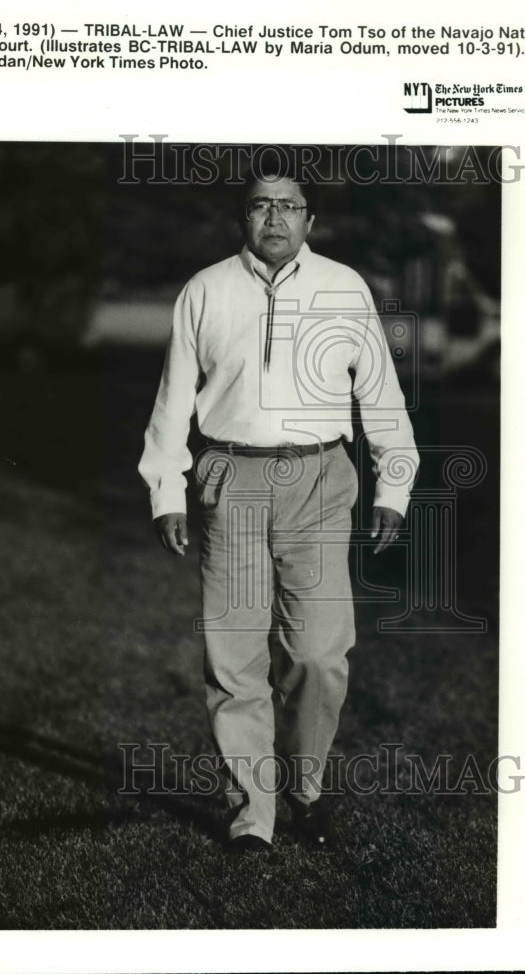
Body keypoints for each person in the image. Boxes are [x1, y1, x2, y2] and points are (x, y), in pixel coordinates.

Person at [139, 157, 419, 855]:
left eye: (288, 207)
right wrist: (167, 490)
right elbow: (173, 401)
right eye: (261, 206)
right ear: (244, 216)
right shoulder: (205, 291)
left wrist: (395, 487)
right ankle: (251, 810)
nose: (274, 219)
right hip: (230, 481)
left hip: (321, 481)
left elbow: (381, 396)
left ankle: (306, 788)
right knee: (234, 658)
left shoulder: (343, 287)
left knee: (319, 655)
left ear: (310, 219)